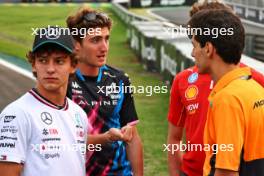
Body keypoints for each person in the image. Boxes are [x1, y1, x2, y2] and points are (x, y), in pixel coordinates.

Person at [0, 26, 130, 176]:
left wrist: (107, 137)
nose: (50, 69)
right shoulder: (15, 115)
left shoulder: (78, 113)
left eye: (59, 61)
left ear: (73, 65)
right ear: (34, 65)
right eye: (43, 60)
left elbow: (71, 144)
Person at [167, 1, 264, 176]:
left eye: (195, 44)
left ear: (208, 48)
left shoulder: (232, 95)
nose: (192, 52)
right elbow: (173, 138)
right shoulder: (182, 80)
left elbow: (226, 170)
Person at [66, 7, 143, 176]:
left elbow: (132, 137)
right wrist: (106, 137)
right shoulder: (64, 82)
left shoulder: (120, 79)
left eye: (106, 39)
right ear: (76, 45)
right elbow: (63, 142)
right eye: (95, 40)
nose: (104, 47)